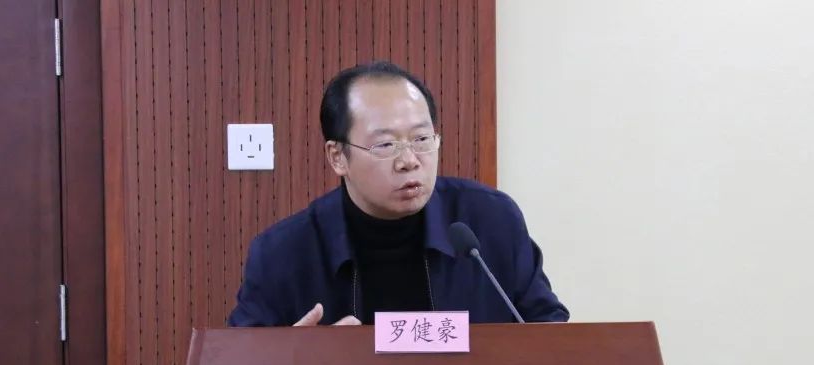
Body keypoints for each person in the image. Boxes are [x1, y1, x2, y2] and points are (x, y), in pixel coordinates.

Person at [228, 61, 568, 327]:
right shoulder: (282, 254)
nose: (409, 161)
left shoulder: (491, 221)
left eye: (421, 139)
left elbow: (547, 330)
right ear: (337, 156)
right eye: (385, 145)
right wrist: (292, 361)